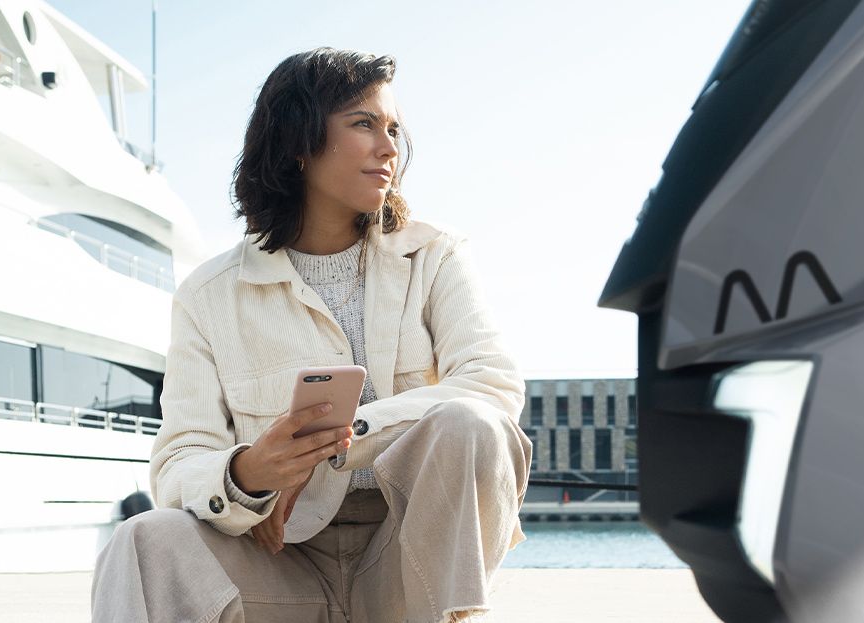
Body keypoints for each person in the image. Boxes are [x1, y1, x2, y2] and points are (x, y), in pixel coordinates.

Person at [91, 47, 533, 623]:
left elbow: (491, 386)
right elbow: (178, 460)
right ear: (299, 142)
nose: (390, 147)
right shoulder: (207, 295)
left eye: (394, 128)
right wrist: (248, 473)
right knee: (142, 539)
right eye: (363, 124)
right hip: (276, 559)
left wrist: (335, 449)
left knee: (470, 423)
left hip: (407, 560)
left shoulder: (435, 256)